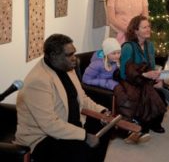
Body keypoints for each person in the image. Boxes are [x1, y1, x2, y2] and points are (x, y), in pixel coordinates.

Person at [14, 34, 112, 162]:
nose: (74, 59)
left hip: (69, 124)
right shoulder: (38, 81)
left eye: (74, 53)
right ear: (54, 56)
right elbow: (50, 124)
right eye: (69, 55)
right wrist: (84, 136)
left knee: (105, 130)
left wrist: (102, 112)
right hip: (43, 137)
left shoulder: (67, 68)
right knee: (81, 149)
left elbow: (81, 97)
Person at [114, 15, 167, 144]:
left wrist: (157, 78)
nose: (148, 29)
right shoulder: (128, 47)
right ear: (136, 30)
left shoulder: (150, 46)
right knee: (146, 95)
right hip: (131, 81)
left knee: (161, 92)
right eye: (144, 27)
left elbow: (152, 67)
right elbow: (123, 74)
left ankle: (154, 124)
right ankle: (142, 129)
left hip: (146, 79)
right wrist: (144, 76)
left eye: (149, 26)